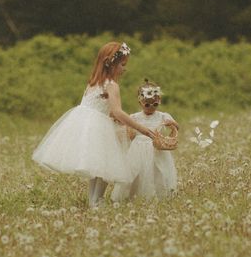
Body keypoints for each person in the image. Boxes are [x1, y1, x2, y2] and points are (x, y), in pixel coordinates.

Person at [32, 42, 156, 208]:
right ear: (111, 64)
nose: (124, 69)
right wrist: (142, 128)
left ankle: (94, 200)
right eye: (122, 65)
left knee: (98, 163)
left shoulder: (93, 83)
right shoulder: (112, 85)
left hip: (85, 123)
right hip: (98, 126)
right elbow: (117, 111)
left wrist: (114, 116)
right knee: (106, 162)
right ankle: (96, 200)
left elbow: (103, 107)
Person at [111, 79, 178, 202]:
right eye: (147, 104)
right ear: (140, 102)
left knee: (158, 171)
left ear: (159, 101)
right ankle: (132, 195)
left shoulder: (163, 116)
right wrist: (128, 130)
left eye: (155, 104)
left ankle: (160, 195)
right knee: (136, 172)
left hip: (157, 148)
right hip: (138, 149)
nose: (151, 107)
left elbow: (175, 128)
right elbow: (129, 135)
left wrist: (172, 124)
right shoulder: (134, 117)